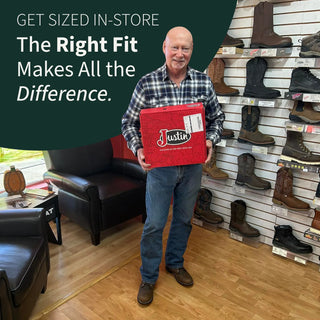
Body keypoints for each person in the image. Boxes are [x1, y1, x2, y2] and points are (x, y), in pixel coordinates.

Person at [121, 26, 225, 306]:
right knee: (154, 223)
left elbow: (217, 118)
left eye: (186, 48)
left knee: (183, 219)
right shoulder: (147, 83)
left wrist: (210, 141)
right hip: (161, 168)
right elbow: (128, 123)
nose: (180, 54)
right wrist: (138, 147)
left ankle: (175, 263)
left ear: (192, 51)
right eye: (175, 47)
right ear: (164, 47)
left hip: (192, 167)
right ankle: (148, 276)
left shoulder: (203, 83)